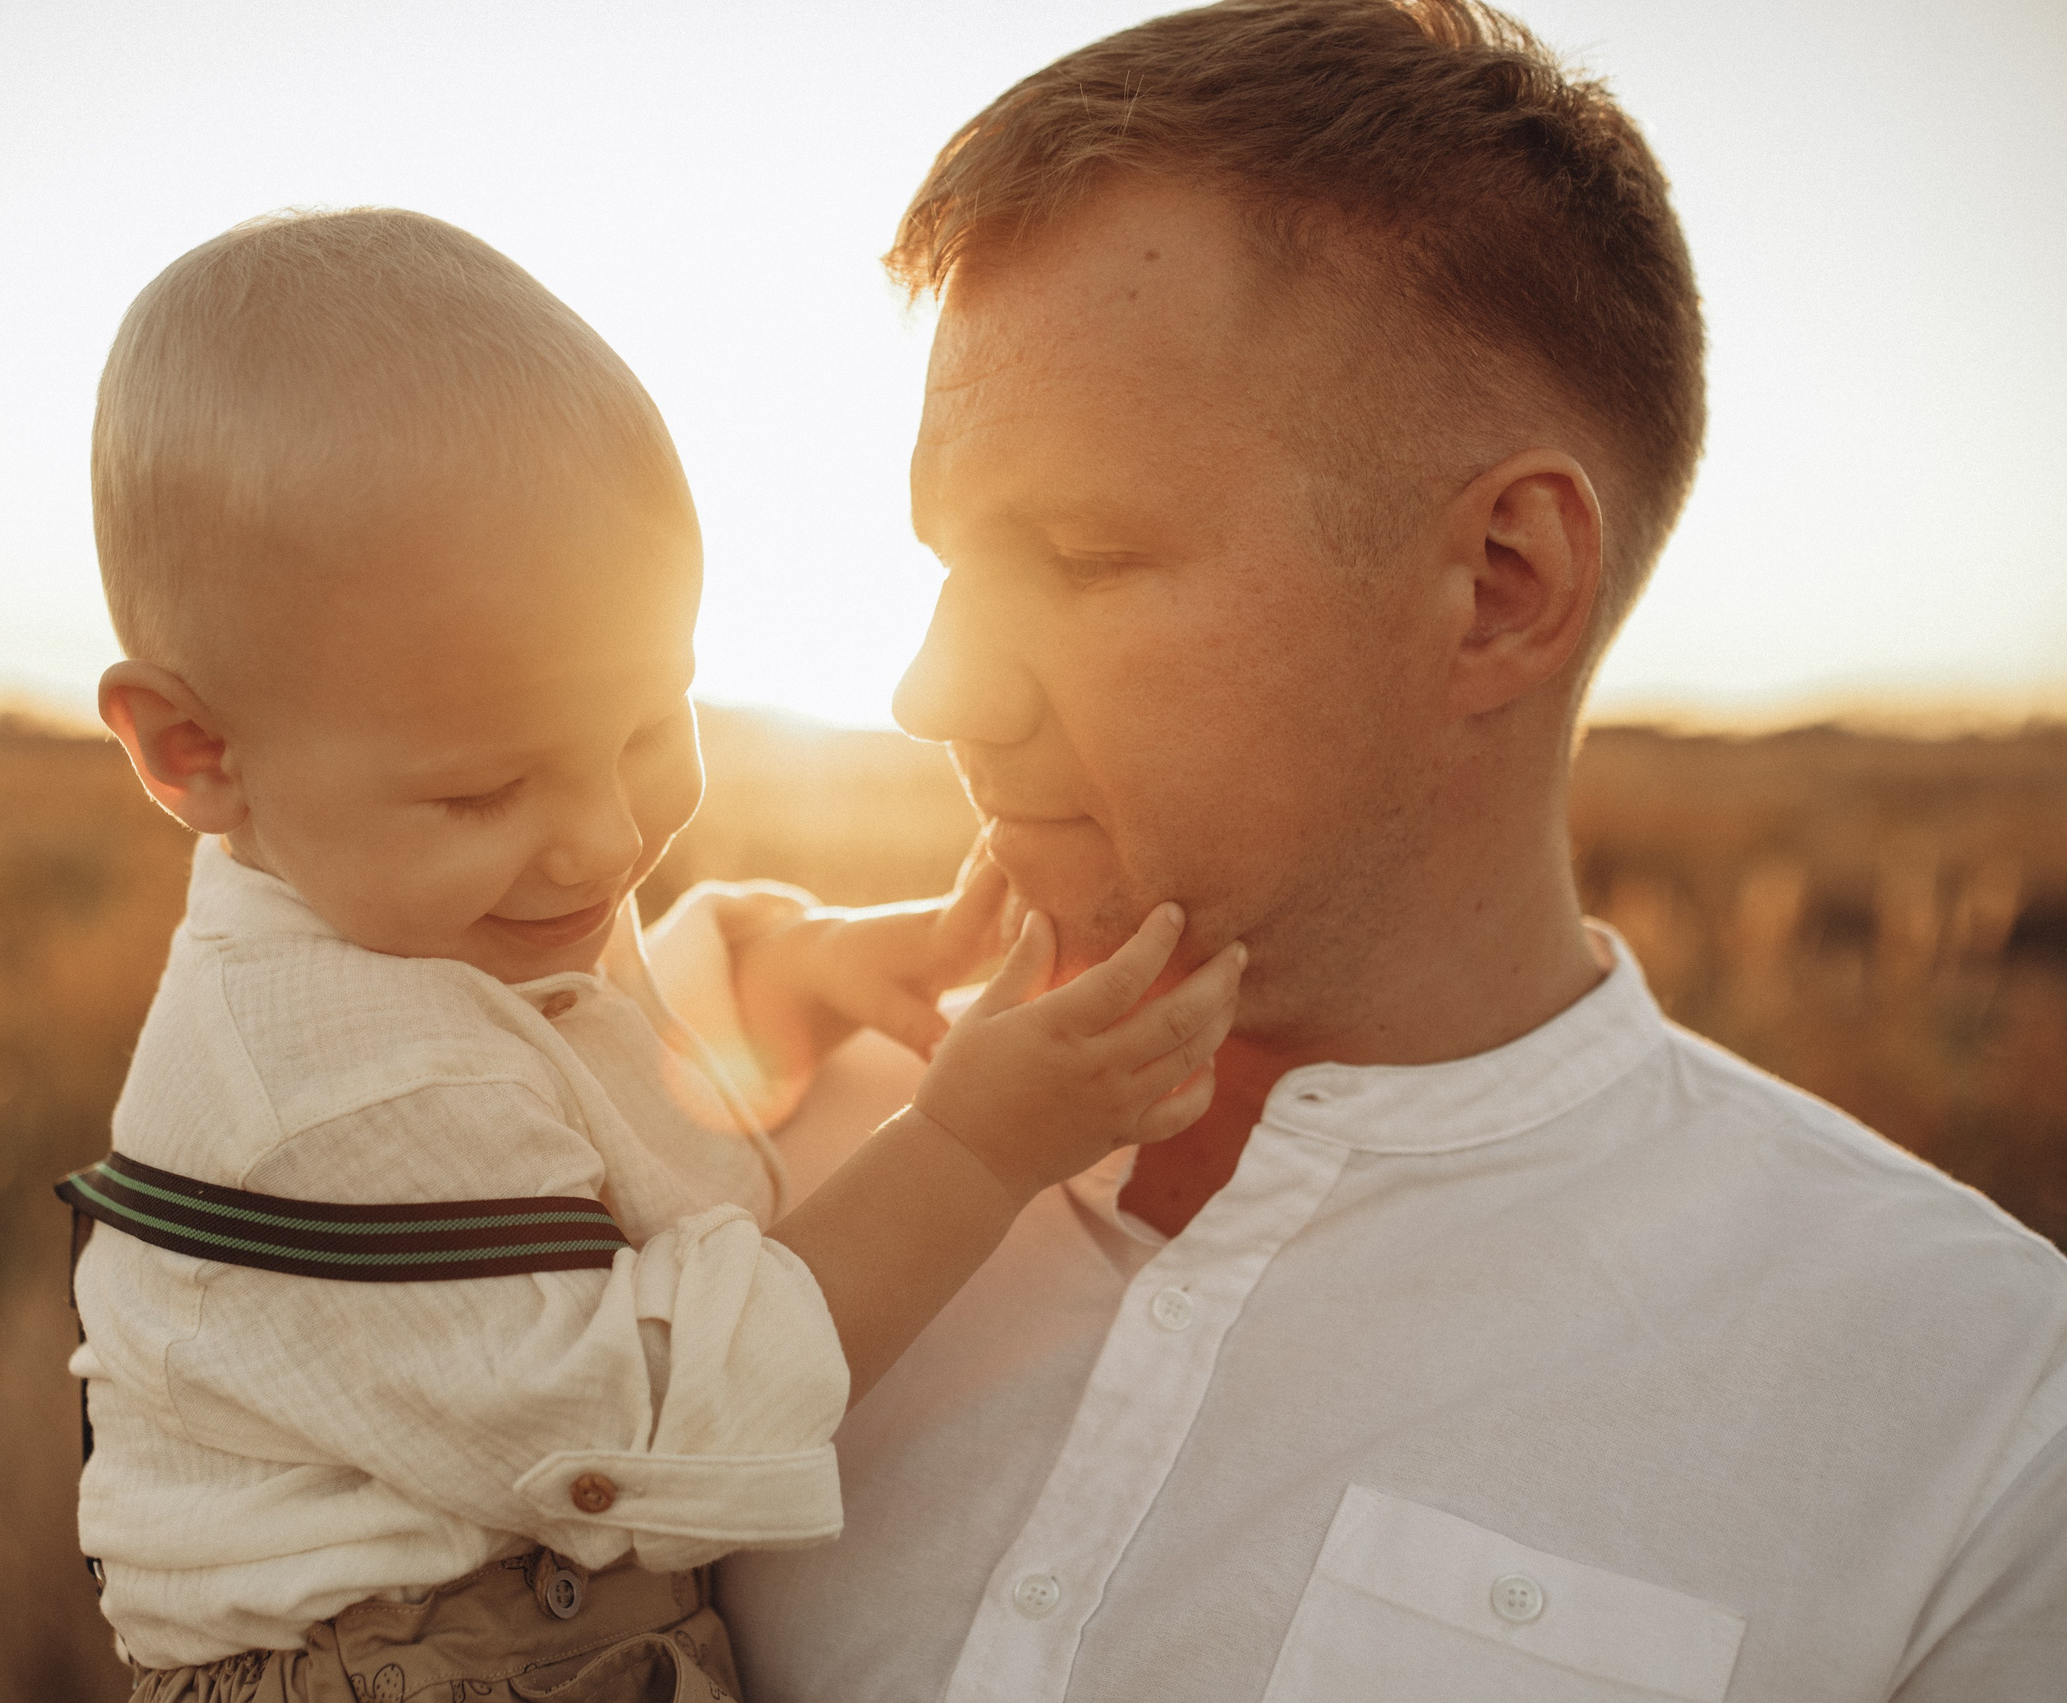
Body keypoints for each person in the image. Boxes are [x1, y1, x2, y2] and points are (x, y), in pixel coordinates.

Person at [713, 3, 2067, 1699]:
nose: (933, 693)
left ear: (1502, 585)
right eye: (947, 567)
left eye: (1082, 555)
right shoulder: (709, 1132)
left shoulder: (1982, 1426)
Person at [63, 207, 1246, 1702]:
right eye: (484, 790)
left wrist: (782, 978)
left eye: (643, 727)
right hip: (412, 1665)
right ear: (196, 752)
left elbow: (562, 1066)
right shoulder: (333, 1099)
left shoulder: (413, 905)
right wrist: (971, 1147)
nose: (601, 840)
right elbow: (657, 1422)